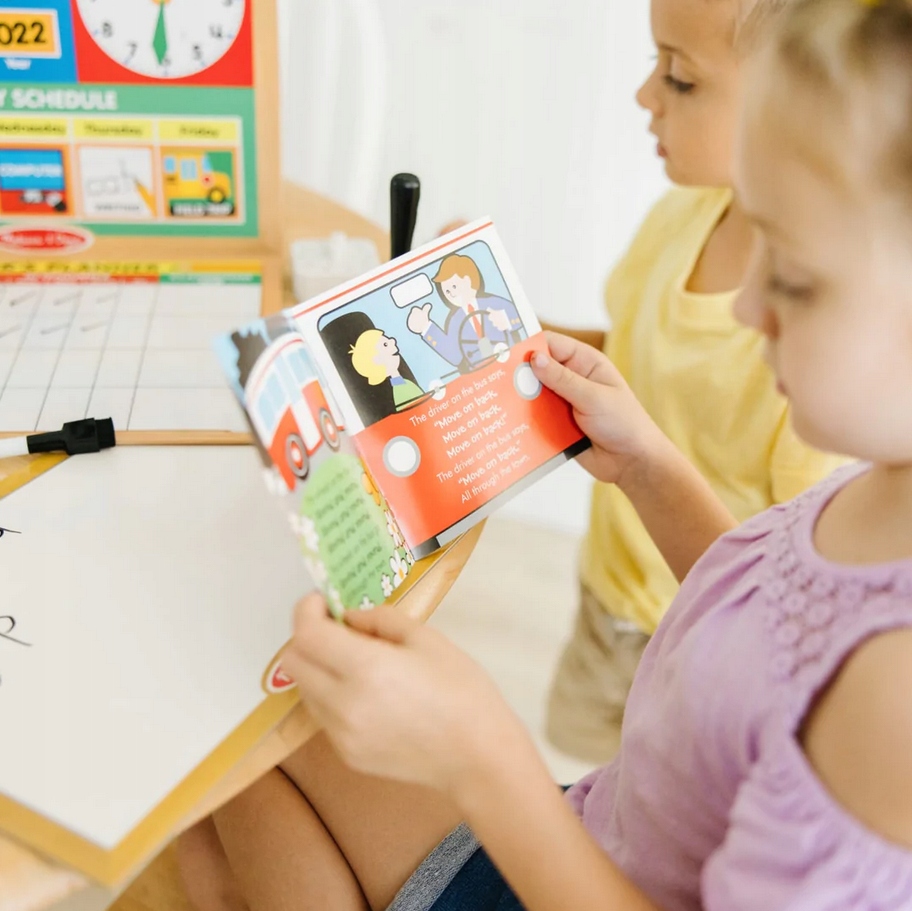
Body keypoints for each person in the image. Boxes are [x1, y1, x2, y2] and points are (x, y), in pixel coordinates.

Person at [176, 0, 912, 908]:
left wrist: (482, 756)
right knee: (220, 762)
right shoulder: (883, 486)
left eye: (793, 278)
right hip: (594, 829)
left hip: (564, 861)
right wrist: (650, 467)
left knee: (233, 754)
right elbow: (773, 626)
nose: (745, 303)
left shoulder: (894, 704)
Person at [542, 0, 848, 763]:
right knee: (587, 777)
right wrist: (508, 328)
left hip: (704, 641)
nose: (645, 94)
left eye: (679, 78)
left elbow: (778, 592)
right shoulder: (680, 215)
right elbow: (631, 353)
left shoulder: (811, 352)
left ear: (797, 102)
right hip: (607, 597)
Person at [407, 254, 524, 372]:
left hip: (509, 360)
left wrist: (506, 320)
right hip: (480, 373)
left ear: (468, 280)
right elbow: (454, 355)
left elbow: (520, 317)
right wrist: (426, 328)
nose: (452, 294)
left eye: (454, 286)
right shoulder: (455, 320)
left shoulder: (493, 303)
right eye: (447, 291)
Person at [349, 328, 425, 412]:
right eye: (385, 344)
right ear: (377, 360)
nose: (393, 340)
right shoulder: (400, 389)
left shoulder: (403, 384)